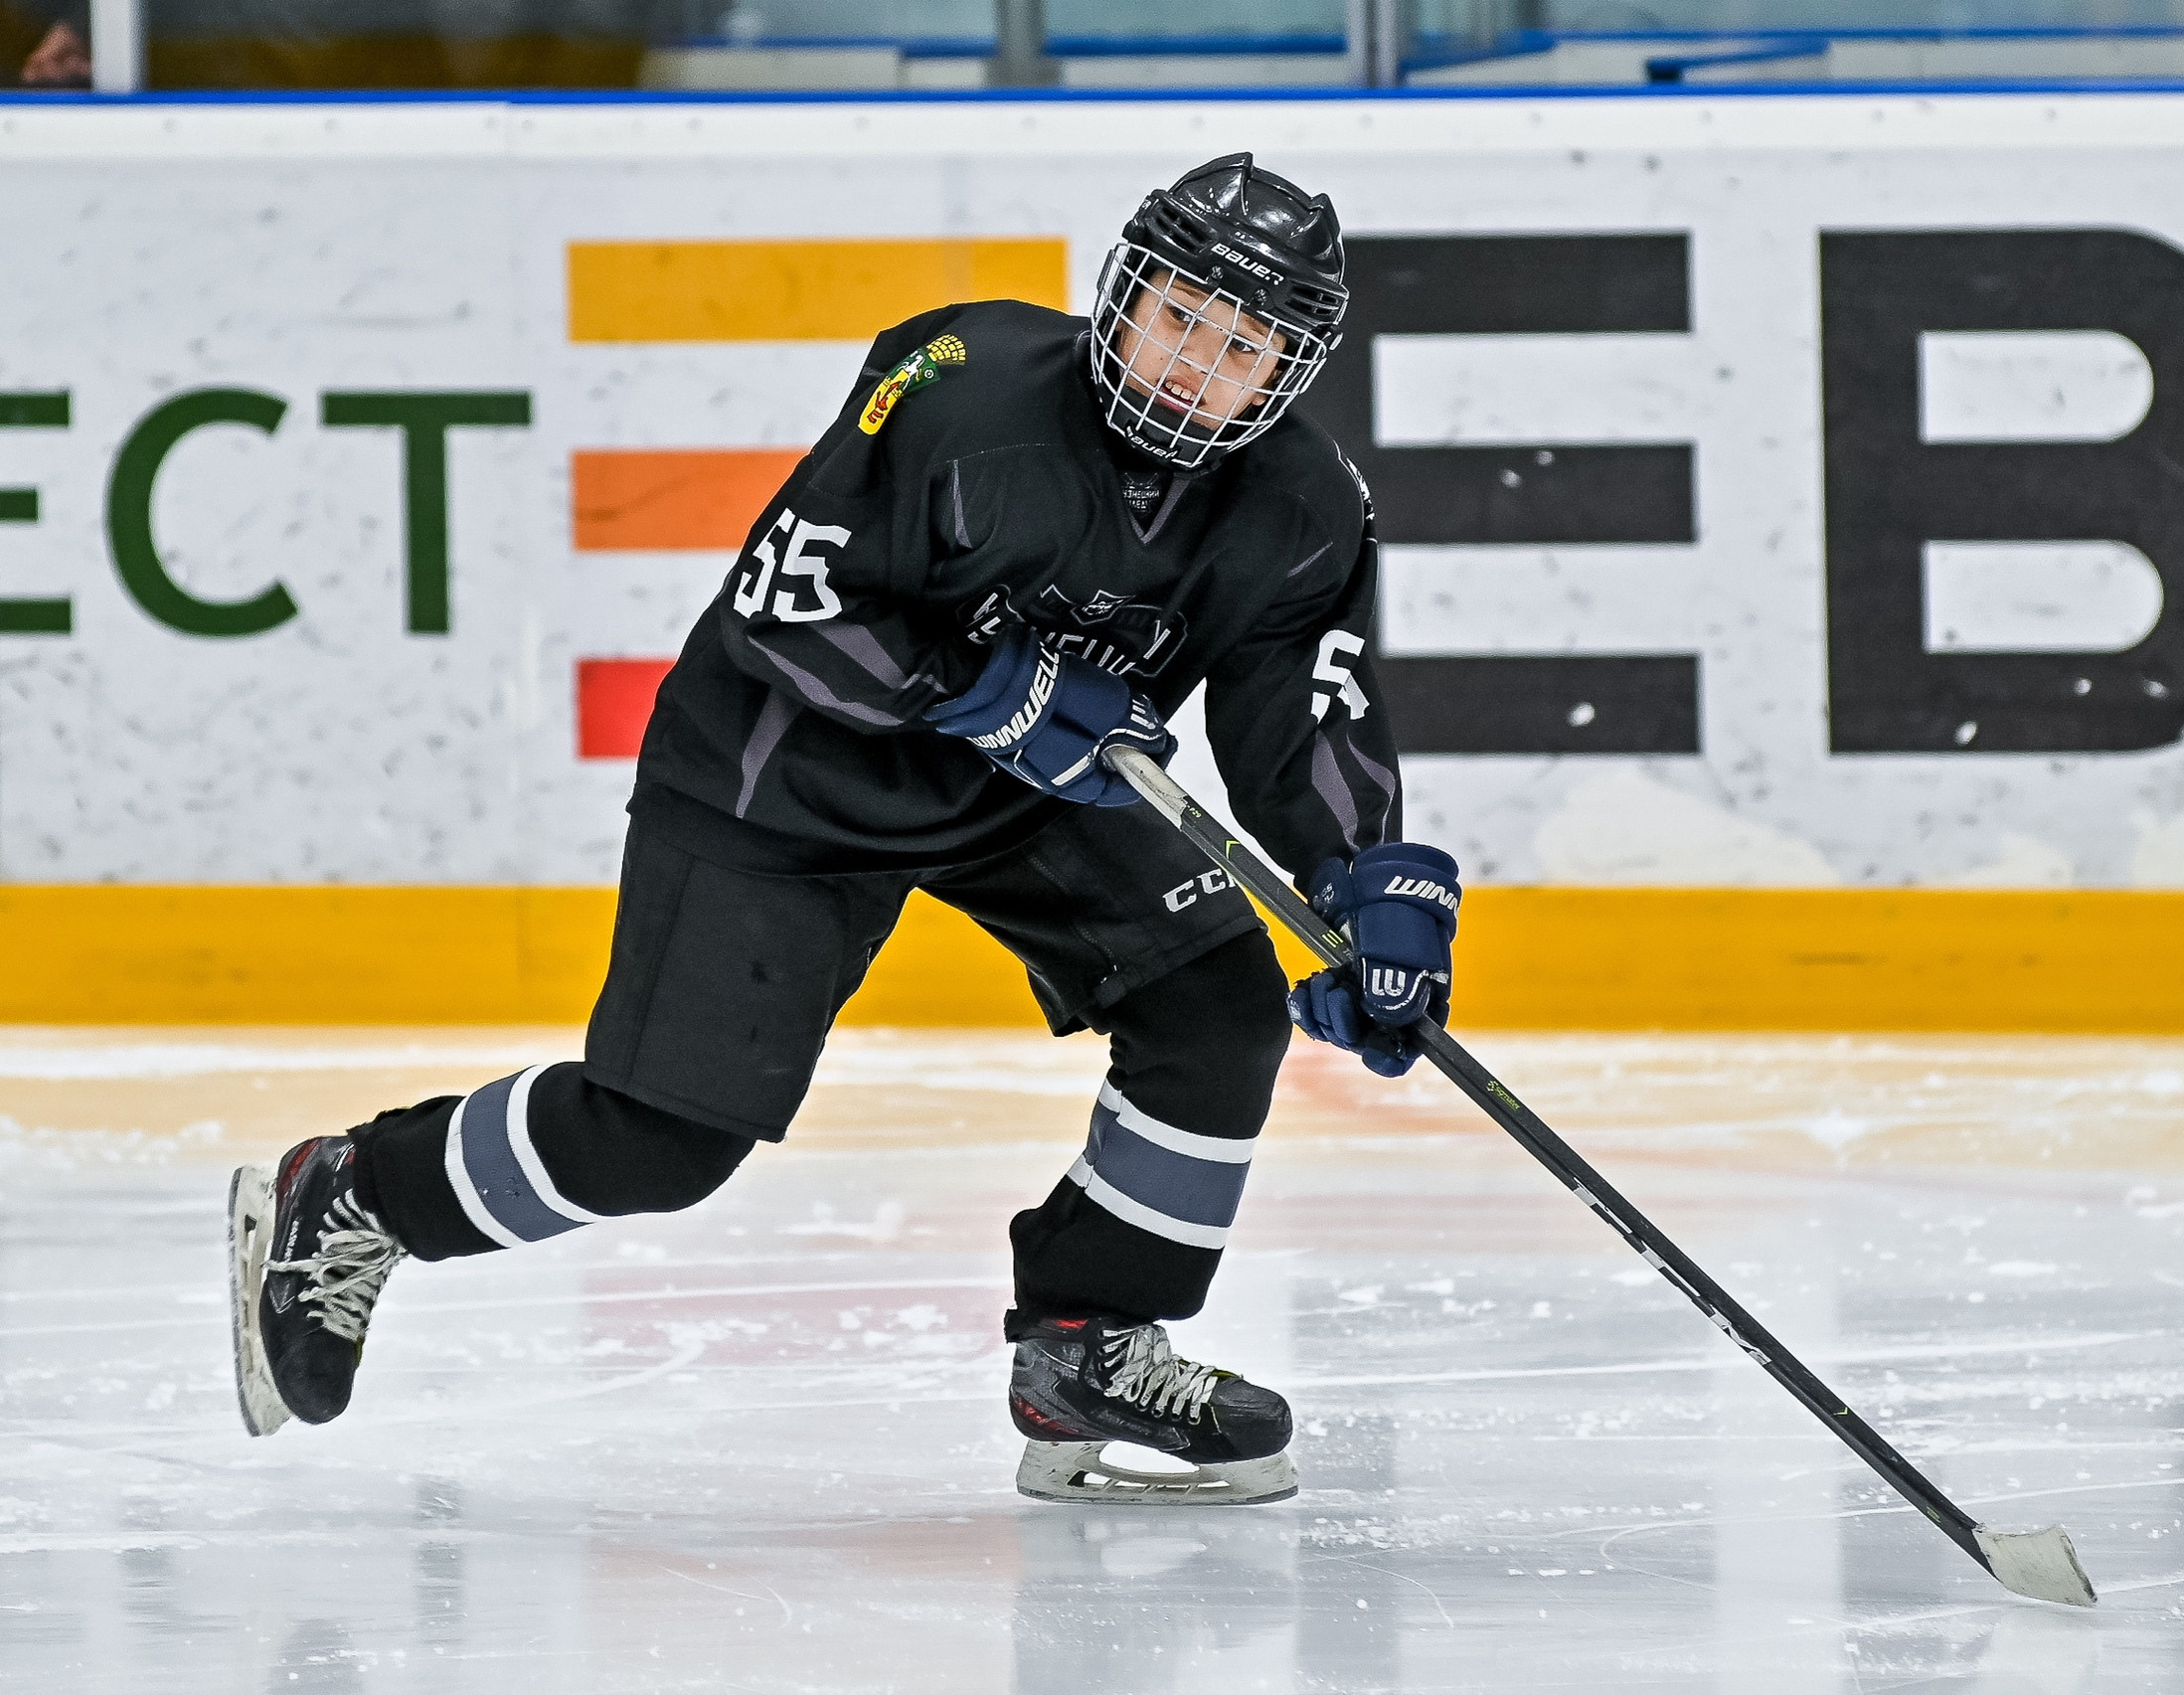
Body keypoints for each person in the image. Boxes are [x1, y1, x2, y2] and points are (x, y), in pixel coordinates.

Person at [227, 154, 1463, 1506]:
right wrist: (989, 688)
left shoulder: (1306, 509)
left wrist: (1366, 886)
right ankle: (360, 1193)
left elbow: (1306, 720)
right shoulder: (961, 381)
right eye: (1179, 317)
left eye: (1240, 349)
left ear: (1287, 372)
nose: (1192, 366)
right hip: (788, 771)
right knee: (659, 1141)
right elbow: (787, 606)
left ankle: (1087, 1344)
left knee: (1217, 1004)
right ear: (1124, 292)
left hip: (1028, 791)